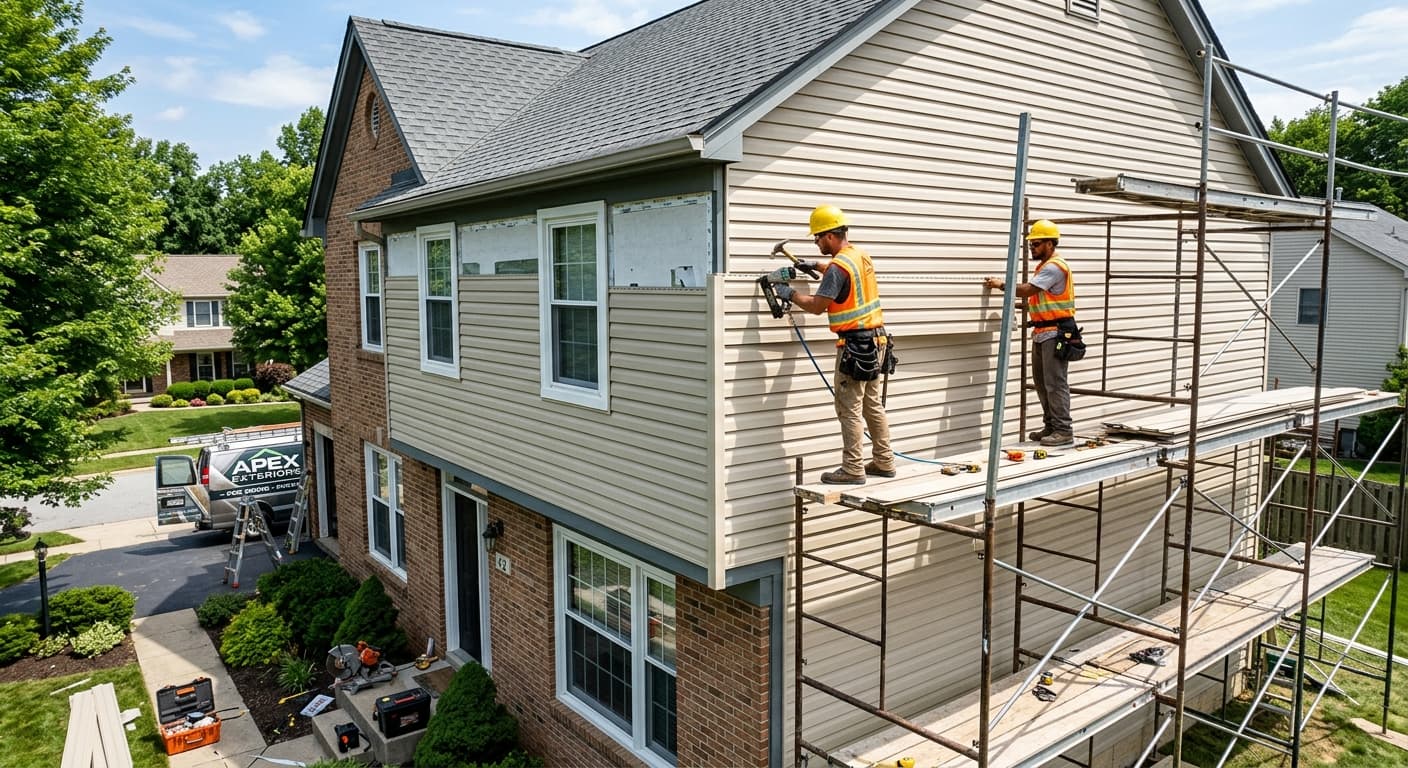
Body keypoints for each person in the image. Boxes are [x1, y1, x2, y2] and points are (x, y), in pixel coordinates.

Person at [774, 205, 895, 484]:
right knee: (872, 404)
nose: (816, 242)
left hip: (855, 346)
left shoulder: (838, 267)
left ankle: (853, 469)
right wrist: (813, 265)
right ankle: (884, 460)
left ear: (830, 236)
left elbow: (817, 306)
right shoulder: (858, 255)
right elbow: (842, 273)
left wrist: (789, 293)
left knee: (848, 407)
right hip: (877, 342)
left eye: (817, 237)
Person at [984, 219, 1076, 447]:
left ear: (1050, 244)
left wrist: (1001, 285)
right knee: (1042, 383)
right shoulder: (1044, 267)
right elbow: (1037, 299)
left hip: (1056, 333)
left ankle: (1063, 429)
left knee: (1055, 383)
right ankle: (1052, 426)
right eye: (1030, 244)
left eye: (1036, 244)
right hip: (1043, 332)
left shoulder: (1055, 266)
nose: (1032, 248)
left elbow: (1028, 290)